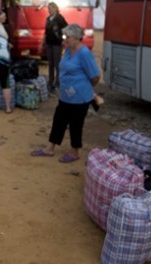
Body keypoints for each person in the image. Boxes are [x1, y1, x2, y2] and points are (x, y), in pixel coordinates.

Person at [30, 23, 100, 163]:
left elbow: (95, 76)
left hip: (80, 97)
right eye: (65, 36)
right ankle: (50, 148)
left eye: (67, 37)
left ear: (77, 38)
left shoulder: (84, 53)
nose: (65, 40)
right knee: (59, 120)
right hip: (66, 95)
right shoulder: (68, 50)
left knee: (76, 124)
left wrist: (85, 87)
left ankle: (74, 152)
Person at [40, 2, 67, 92]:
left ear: (55, 8)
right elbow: (46, 32)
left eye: (50, 8)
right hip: (49, 43)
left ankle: (58, 82)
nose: (49, 10)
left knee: (57, 63)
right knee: (50, 63)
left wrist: (63, 40)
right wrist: (42, 43)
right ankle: (51, 81)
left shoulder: (59, 18)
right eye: (48, 8)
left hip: (57, 44)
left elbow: (66, 28)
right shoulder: (48, 19)